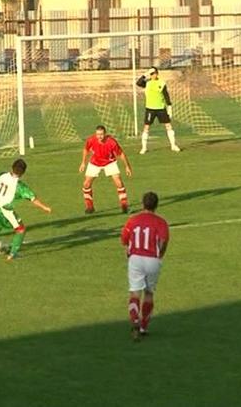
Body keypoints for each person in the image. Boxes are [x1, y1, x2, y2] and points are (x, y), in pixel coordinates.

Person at [120, 191, 170, 341]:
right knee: (149, 294)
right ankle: (143, 327)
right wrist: (160, 255)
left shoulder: (132, 220)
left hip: (135, 259)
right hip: (152, 260)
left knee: (135, 293)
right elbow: (163, 242)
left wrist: (128, 252)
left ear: (142, 204)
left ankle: (134, 321)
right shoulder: (161, 222)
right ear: (156, 205)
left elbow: (124, 239)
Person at [0, 159, 52, 261]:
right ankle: (12, 254)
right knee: (20, 230)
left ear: (12, 167)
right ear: (23, 173)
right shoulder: (20, 186)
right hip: (5, 210)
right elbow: (33, 199)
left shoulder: (1, 175)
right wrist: (44, 207)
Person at [78, 125, 133, 214]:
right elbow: (85, 149)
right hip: (95, 162)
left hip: (109, 163)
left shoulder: (112, 142)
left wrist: (127, 166)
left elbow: (121, 154)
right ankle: (89, 207)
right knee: (86, 184)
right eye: (98, 134)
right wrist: (83, 162)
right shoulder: (91, 140)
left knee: (118, 182)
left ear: (105, 134)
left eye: (101, 134)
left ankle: (124, 206)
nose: (99, 136)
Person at [135, 67, 180, 154]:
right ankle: (144, 148)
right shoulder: (147, 83)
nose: (153, 75)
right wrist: (146, 74)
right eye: (151, 74)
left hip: (161, 108)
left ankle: (173, 145)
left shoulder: (161, 83)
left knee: (168, 126)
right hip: (150, 109)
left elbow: (166, 95)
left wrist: (169, 107)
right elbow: (138, 83)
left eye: (154, 73)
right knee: (146, 127)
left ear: (157, 73)